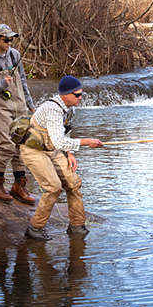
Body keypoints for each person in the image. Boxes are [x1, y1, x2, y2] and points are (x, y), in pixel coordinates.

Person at [20, 75, 103, 241]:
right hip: (33, 151)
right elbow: (59, 140)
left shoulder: (70, 108)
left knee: (74, 183)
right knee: (53, 187)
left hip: (52, 149)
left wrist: (70, 153)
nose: (80, 98)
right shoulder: (53, 109)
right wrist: (86, 142)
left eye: (81, 94)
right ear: (65, 94)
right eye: (77, 95)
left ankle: (77, 226)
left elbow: (65, 131)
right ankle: (35, 228)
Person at [0, 23, 36, 205]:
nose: (10, 42)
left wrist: (31, 105)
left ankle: (19, 185)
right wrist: (1, 84)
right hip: (0, 108)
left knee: (20, 145)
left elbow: (23, 82)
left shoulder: (15, 55)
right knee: (7, 144)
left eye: (11, 39)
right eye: (6, 39)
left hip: (19, 106)